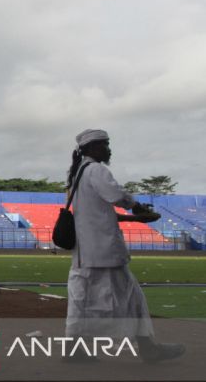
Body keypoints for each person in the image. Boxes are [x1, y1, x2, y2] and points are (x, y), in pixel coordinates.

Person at [64, 129, 185, 363]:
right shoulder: (97, 170)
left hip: (87, 253)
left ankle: (74, 348)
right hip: (103, 252)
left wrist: (135, 219)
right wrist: (136, 206)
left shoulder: (77, 174)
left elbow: (99, 215)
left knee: (82, 302)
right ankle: (148, 348)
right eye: (104, 145)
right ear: (90, 148)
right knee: (131, 299)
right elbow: (116, 195)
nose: (108, 149)